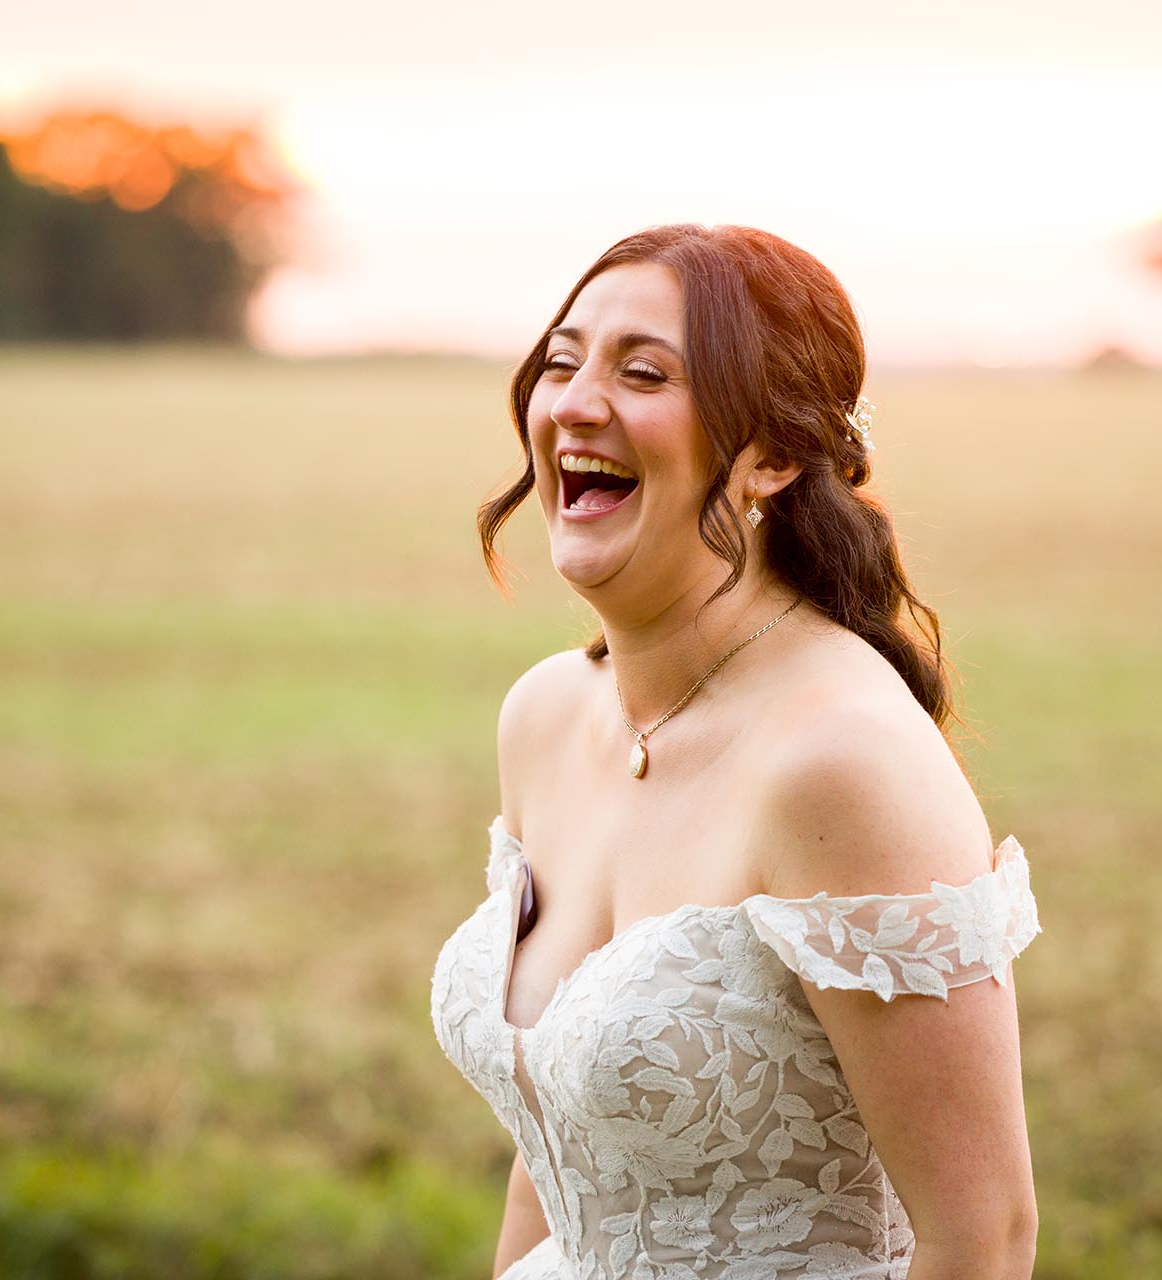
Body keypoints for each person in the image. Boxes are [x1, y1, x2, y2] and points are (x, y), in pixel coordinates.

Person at [430, 224, 1042, 1280]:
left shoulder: (840, 762)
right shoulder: (543, 717)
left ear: (772, 456)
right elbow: (562, 1132)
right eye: (563, 361)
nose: (575, 403)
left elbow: (983, 1237)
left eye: (643, 373)